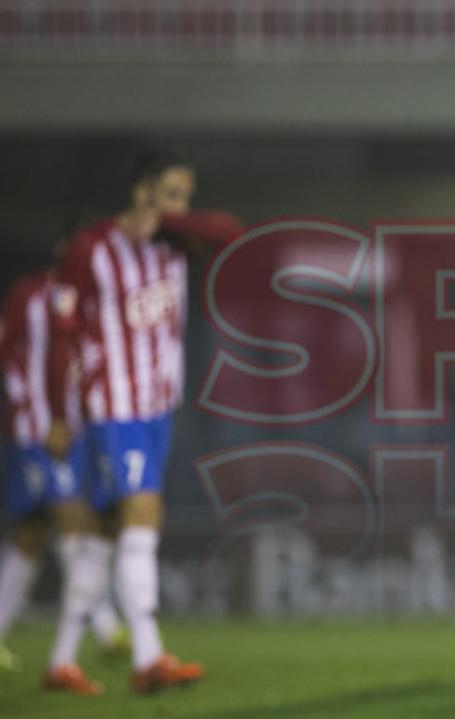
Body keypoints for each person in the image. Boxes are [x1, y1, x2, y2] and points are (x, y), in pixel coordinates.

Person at [50, 148, 240, 693]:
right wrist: (62, 411)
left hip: (158, 407)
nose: (183, 208)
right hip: (114, 407)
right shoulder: (92, 249)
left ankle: (61, 659)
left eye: (187, 198)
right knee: (142, 513)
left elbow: (231, 234)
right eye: (173, 194)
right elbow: (63, 332)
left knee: (102, 533)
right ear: (142, 192)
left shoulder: (175, 242)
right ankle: (148, 656)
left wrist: (173, 218)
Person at [0, 260, 127, 693]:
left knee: (30, 537)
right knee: (73, 520)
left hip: (65, 429)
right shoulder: (33, 293)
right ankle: (107, 628)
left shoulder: (89, 298)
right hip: (36, 429)